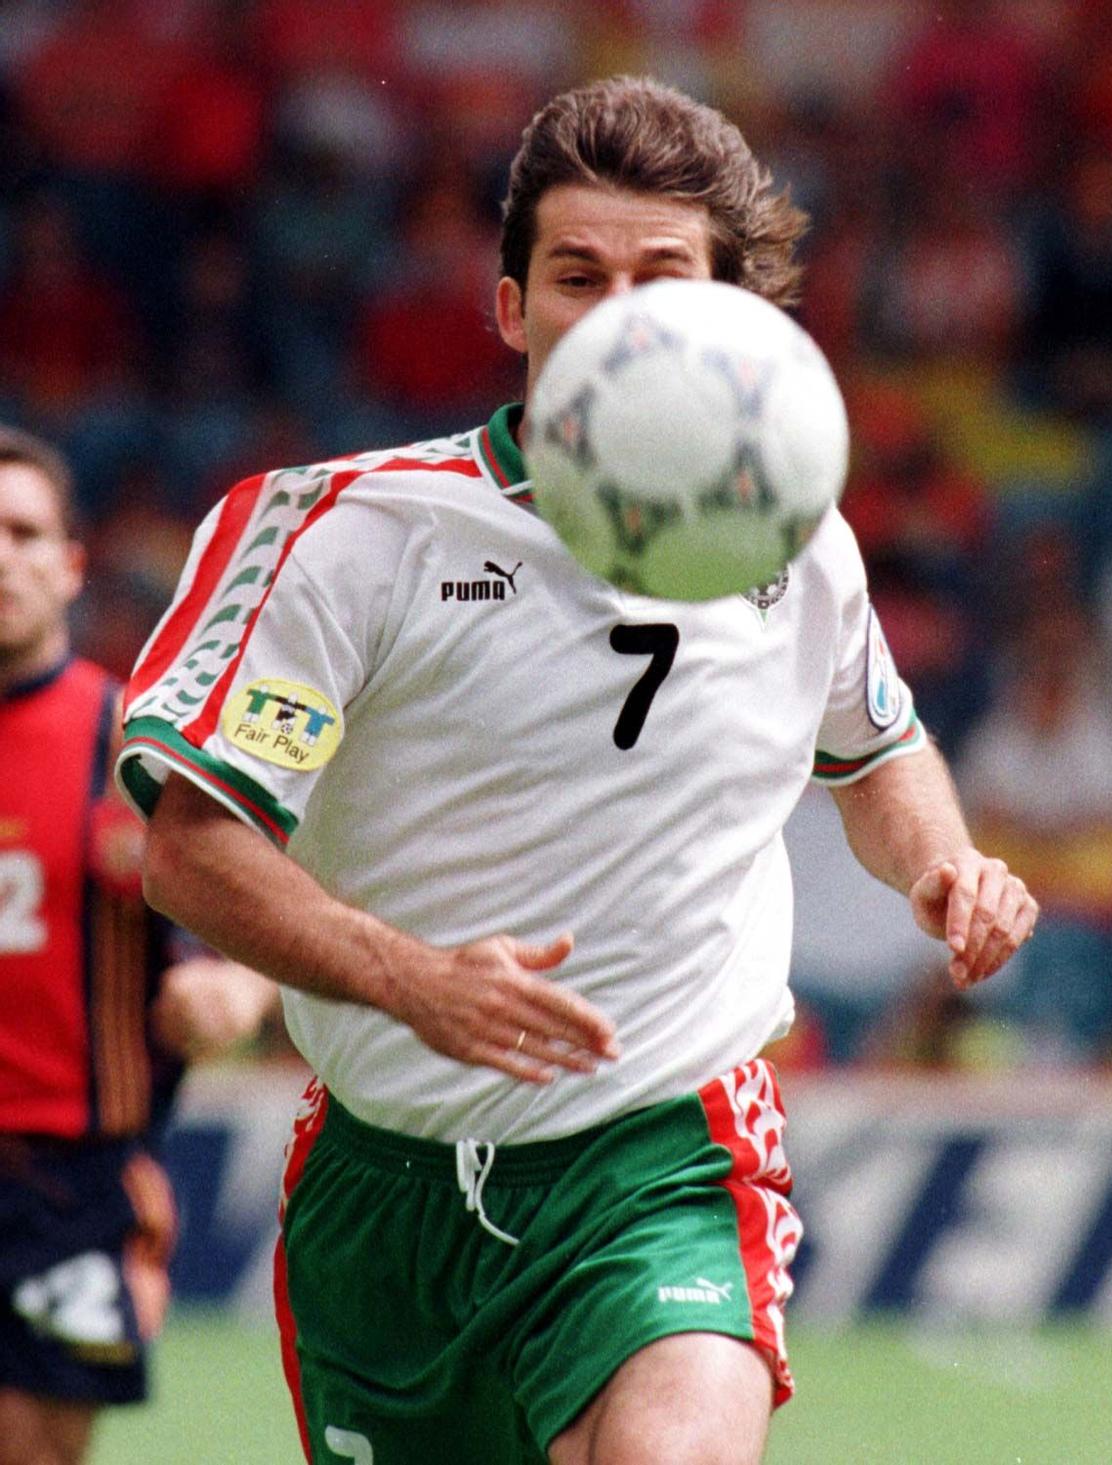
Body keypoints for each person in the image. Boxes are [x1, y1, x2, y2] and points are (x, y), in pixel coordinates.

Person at [124, 77, 1038, 1465]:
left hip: (662, 1158)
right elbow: (193, 844)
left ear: (733, 315)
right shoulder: (351, 539)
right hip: (388, 1197)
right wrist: (406, 977)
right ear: (511, 310)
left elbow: (877, 743)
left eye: (660, 277)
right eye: (576, 276)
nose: (616, 314)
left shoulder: (801, 546)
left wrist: (942, 865)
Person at [0, 426, 275, 1465]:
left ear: (71, 565)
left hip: (71, 1187)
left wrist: (235, 994)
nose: (0, 556)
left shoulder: (137, 744)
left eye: (23, 532)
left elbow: (277, 913)